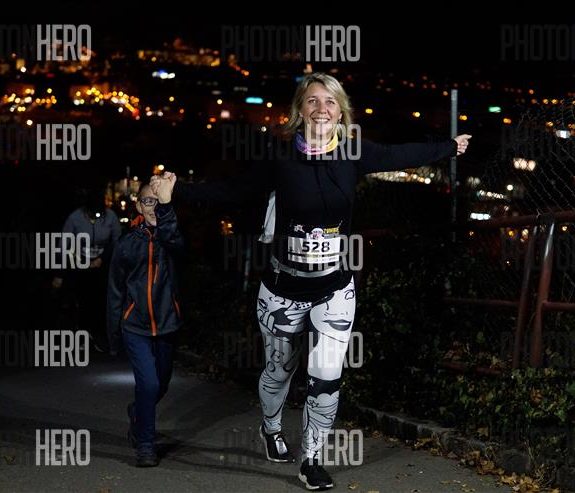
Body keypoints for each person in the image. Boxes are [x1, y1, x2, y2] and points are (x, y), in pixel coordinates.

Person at [168, 72, 471, 490]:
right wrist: (179, 190)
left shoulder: (353, 153)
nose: (321, 109)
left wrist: (449, 147)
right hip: (282, 289)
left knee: (326, 378)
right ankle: (271, 427)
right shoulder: (279, 158)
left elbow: (401, 154)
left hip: (333, 288)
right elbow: (234, 189)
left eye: (330, 102)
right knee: (279, 371)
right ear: (299, 110)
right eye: (312, 101)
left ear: (341, 112)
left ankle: (311, 459)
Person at [107, 173, 185, 467]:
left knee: (160, 384)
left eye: (158, 201)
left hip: (167, 324)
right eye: (148, 201)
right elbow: (115, 290)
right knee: (149, 384)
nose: (153, 207)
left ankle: (137, 413)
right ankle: (146, 444)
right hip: (135, 326)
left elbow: (174, 239)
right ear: (138, 206)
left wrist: (166, 209)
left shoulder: (170, 237)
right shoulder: (127, 243)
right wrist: (114, 335)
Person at [52, 185, 122, 352]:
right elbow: (63, 246)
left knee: (101, 299)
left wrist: (101, 259)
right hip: (78, 262)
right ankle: (80, 334)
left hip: (103, 263)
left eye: (98, 214)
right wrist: (60, 274)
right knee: (80, 299)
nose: (95, 217)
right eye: (91, 214)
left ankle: (102, 336)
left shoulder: (110, 217)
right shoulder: (75, 218)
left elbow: (117, 241)